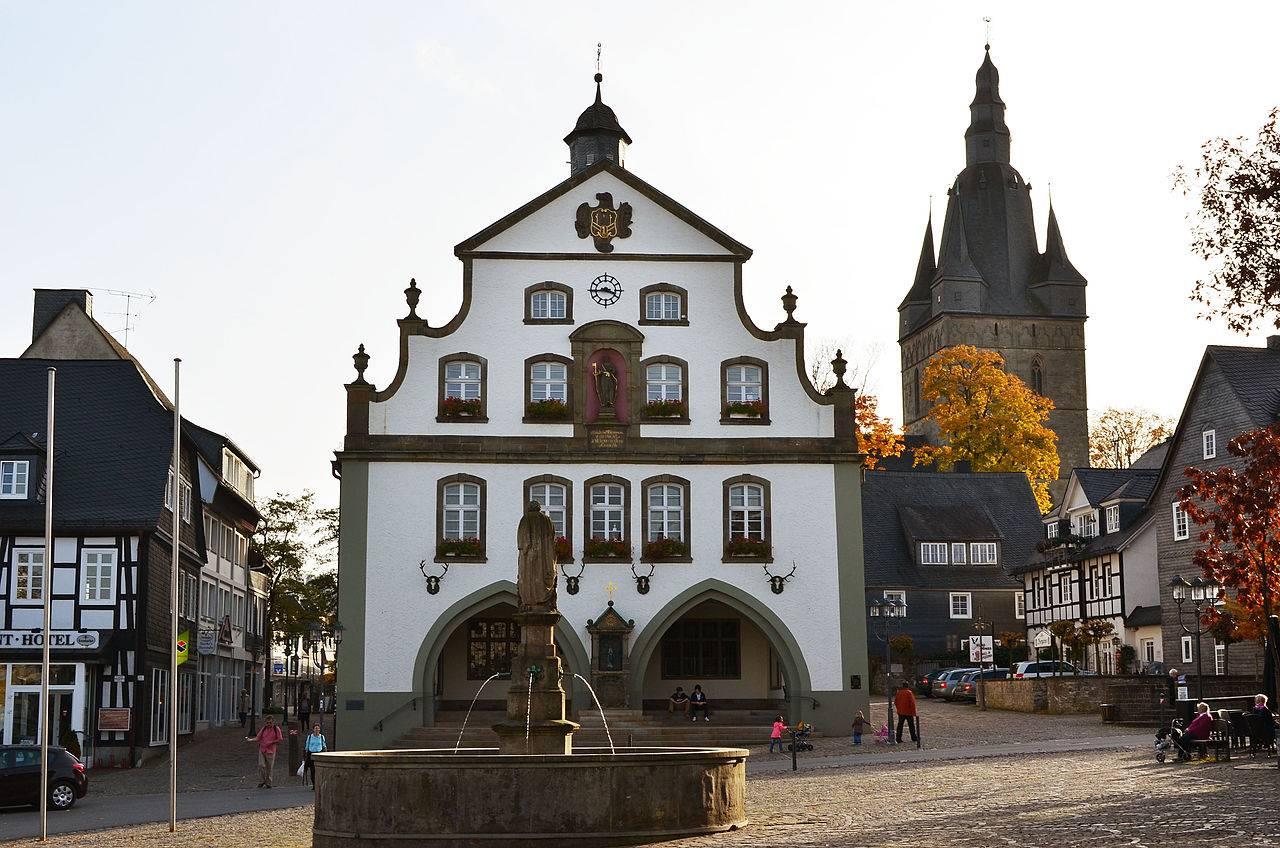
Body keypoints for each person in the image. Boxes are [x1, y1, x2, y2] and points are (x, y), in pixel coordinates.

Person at [248, 713, 285, 788]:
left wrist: (271, 742)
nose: (269, 724)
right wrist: (251, 739)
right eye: (267, 723)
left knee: (269, 767)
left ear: (273, 722)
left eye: (270, 722)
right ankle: (262, 781)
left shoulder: (276, 729)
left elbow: (280, 739)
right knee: (261, 765)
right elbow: (258, 737)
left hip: (271, 751)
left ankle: (268, 782)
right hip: (262, 749)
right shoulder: (264, 728)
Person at [894, 680, 919, 744]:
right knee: (911, 725)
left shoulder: (899, 693)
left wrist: (898, 709)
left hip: (901, 712)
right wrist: (914, 712)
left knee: (900, 725)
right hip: (908, 712)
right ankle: (913, 737)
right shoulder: (909, 692)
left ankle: (898, 738)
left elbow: (895, 702)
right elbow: (912, 703)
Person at [304, 723, 327, 788]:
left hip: (319, 754)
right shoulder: (310, 737)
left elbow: (324, 745)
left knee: (319, 770)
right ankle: (314, 784)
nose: (317, 729)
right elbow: (307, 746)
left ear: (319, 729)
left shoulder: (322, 737)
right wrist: (306, 753)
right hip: (311, 754)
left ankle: (319, 783)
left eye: (318, 728)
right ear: (313, 729)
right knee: (312, 770)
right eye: (315, 728)